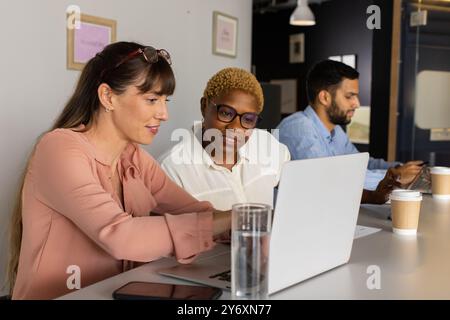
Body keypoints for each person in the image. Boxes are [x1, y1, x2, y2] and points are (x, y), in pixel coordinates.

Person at [8, 42, 230, 299]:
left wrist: (250, 224)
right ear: (108, 97)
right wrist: (228, 220)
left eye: (164, 100)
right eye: (151, 99)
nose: (164, 113)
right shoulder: (58, 149)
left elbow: (198, 213)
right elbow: (121, 236)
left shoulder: (134, 158)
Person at [277, 60, 423, 204]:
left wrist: (401, 168)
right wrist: (396, 177)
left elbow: (362, 164)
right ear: (324, 97)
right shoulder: (298, 128)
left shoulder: (336, 131)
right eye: (349, 96)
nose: (357, 104)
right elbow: (327, 182)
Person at [159, 67, 290, 210]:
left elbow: (298, 188)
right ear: (204, 107)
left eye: (248, 119)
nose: (235, 128)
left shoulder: (268, 145)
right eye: (226, 113)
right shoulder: (172, 169)